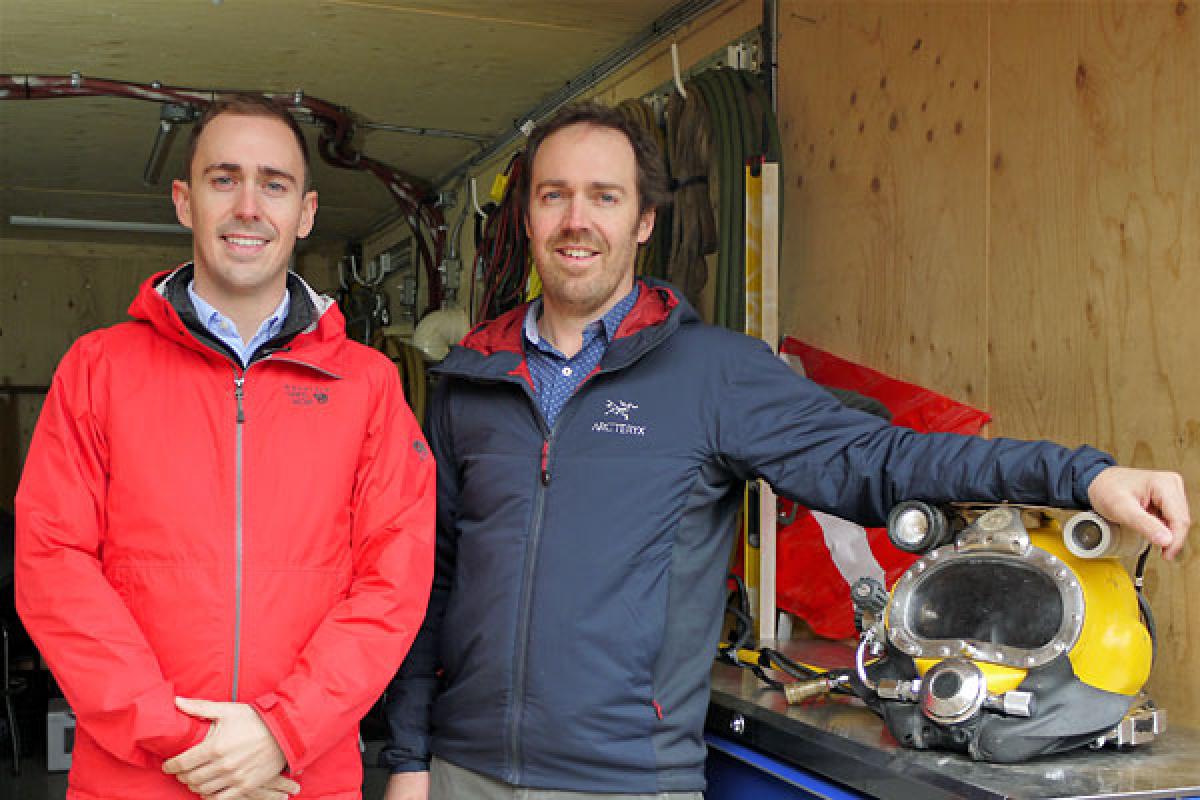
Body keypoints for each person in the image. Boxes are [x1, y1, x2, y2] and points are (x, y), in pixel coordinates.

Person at [380, 101, 1190, 800]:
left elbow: (882, 460)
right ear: (527, 215)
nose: (576, 220)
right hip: (463, 773)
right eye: (554, 196)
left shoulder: (712, 374)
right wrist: (412, 758)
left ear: (644, 221)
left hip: (625, 779)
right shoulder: (471, 381)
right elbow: (429, 581)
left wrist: (1083, 477)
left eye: (604, 196)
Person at [15, 94, 436, 800]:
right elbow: (52, 563)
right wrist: (184, 743)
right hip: (138, 778)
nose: (248, 206)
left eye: (273, 183)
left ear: (304, 212)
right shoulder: (99, 368)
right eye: (224, 179)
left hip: (299, 777)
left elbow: (392, 583)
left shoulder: (368, 386)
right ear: (185, 201)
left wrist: (282, 733)